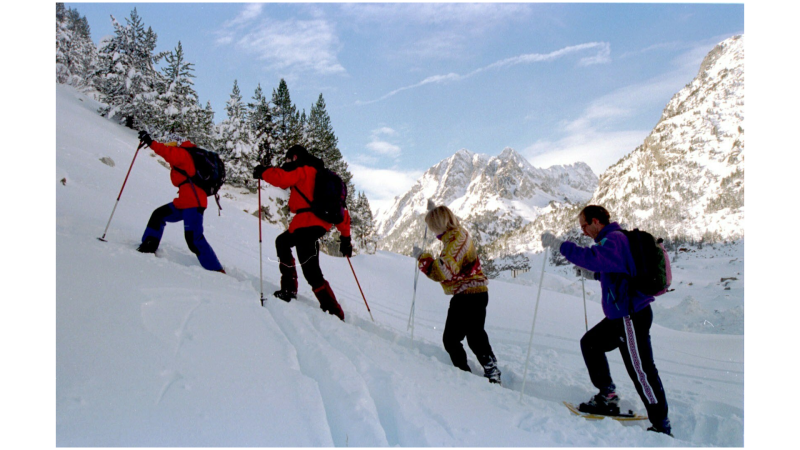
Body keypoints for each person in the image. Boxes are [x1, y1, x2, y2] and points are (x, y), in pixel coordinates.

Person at [541, 205, 672, 436]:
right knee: (590, 343)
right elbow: (617, 269)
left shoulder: (613, 239)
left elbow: (591, 258)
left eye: (584, 226)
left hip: (630, 316)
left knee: (641, 371)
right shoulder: (612, 240)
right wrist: (594, 275)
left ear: (595, 221)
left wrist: (559, 245)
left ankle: (661, 425)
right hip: (620, 316)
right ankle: (607, 395)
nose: (583, 232)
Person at [252, 144, 350, 321]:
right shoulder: (320, 175)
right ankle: (290, 290)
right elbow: (342, 211)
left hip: (306, 224)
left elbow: (282, 178)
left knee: (311, 271)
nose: (286, 162)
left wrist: (263, 172)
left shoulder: (304, 170)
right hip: (314, 225)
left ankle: (334, 312)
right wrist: (345, 238)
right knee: (283, 242)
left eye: (288, 159)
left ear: (295, 157)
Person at [414, 206, 501, 385]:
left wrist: (423, 259)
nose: (431, 231)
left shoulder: (456, 240)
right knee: (474, 335)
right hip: (475, 293)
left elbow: (442, 272)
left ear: (439, 224)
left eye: (432, 226)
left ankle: (466, 374)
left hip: (468, 295)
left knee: (453, 339)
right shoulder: (455, 236)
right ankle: (491, 368)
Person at [136, 131, 225, 274]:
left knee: (194, 238)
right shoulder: (186, 154)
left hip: (193, 202)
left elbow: (166, 152)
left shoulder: (184, 154)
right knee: (159, 215)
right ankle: (148, 247)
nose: (168, 146)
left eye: (170, 144)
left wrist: (151, 142)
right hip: (184, 201)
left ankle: (217, 270)